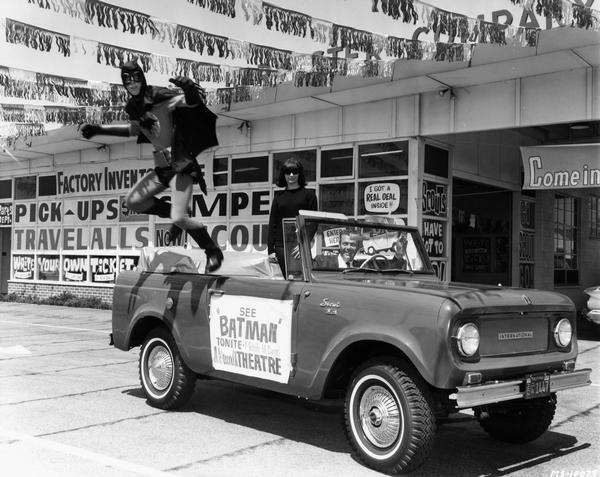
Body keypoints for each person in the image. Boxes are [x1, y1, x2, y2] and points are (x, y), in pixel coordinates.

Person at [79, 61, 223, 273]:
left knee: (179, 218)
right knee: (133, 201)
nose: (132, 83)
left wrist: (189, 89)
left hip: (180, 164)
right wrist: (98, 130)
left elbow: (191, 104)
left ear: (142, 76)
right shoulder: (134, 107)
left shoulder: (158, 95)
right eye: (127, 79)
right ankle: (177, 212)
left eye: (135, 77)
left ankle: (211, 249)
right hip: (162, 168)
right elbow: (133, 130)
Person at [267, 158, 317, 276]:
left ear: (300, 174)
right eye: (288, 172)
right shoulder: (279, 196)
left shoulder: (309, 195)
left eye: (294, 172)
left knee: (300, 277)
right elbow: (273, 223)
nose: (291, 175)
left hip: (300, 243)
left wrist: (303, 244)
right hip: (280, 245)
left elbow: (313, 222)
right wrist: (270, 250)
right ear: (283, 175)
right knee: (288, 279)